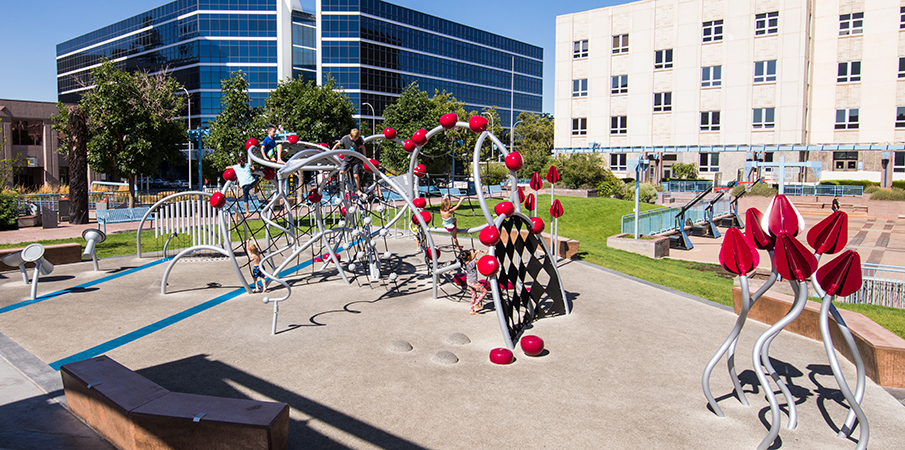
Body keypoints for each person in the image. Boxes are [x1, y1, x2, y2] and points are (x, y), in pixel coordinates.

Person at [333, 129, 367, 195]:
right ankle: (347, 169)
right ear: (350, 135)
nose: (355, 140)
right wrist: (332, 152)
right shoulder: (345, 138)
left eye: (356, 139)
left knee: (356, 175)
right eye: (354, 139)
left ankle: (357, 189)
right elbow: (337, 144)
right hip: (347, 159)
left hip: (356, 160)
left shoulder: (359, 139)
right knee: (342, 172)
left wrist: (364, 157)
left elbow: (363, 147)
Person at [458, 249, 486, 315]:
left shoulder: (465, 262)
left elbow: (471, 258)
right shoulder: (471, 263)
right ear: (468, 257)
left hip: (469, 281)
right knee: (484, 291)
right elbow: (480, 261)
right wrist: (485, 253)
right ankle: (477, 303)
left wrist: (475, 253)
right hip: (473, 282)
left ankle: (471, 310)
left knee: (474, 295)